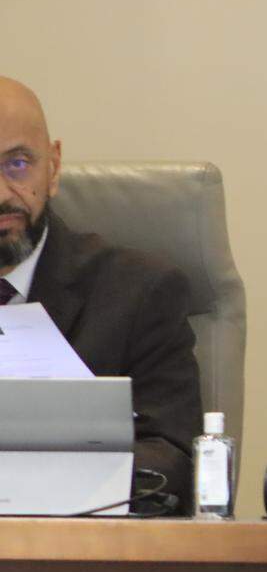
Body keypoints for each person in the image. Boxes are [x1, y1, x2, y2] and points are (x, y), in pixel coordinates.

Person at [0, 76, 201, 513]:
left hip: (80, 547)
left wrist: (30, 480)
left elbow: (174, 462)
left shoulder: (140, 292)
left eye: (17, 164)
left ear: (53, 168)